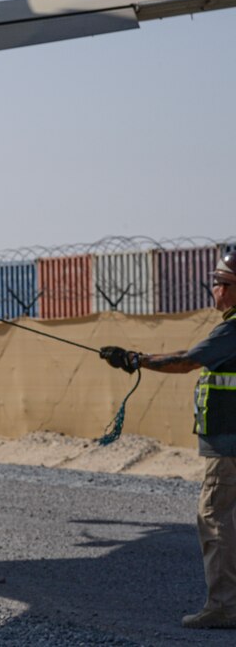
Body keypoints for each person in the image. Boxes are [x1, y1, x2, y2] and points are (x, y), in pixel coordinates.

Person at [101, 252, 236, 630]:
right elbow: (189, 356)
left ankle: (225, 607)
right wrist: (136, 358)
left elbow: (188, 361)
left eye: (221, 282)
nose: (215, 289)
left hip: (228, 444)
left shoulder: (233, 329)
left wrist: (136, 361)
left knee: (216, 521)